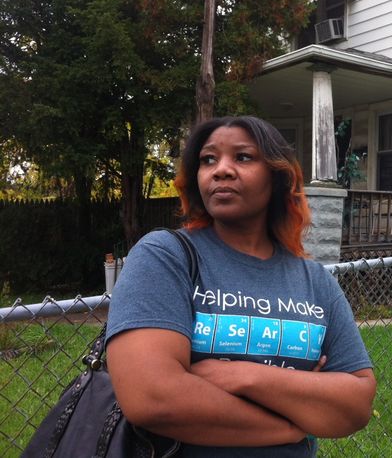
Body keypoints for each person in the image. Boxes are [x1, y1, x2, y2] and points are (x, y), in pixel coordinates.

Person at [106, 115, 376, 457]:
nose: (221, 169)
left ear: (278, 177)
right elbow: (152, 397)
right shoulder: (166, 256)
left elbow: (355, 405)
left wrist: (241, 376)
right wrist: (292, 421)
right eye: (208, 159)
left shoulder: (314, 280)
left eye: (243, 157)